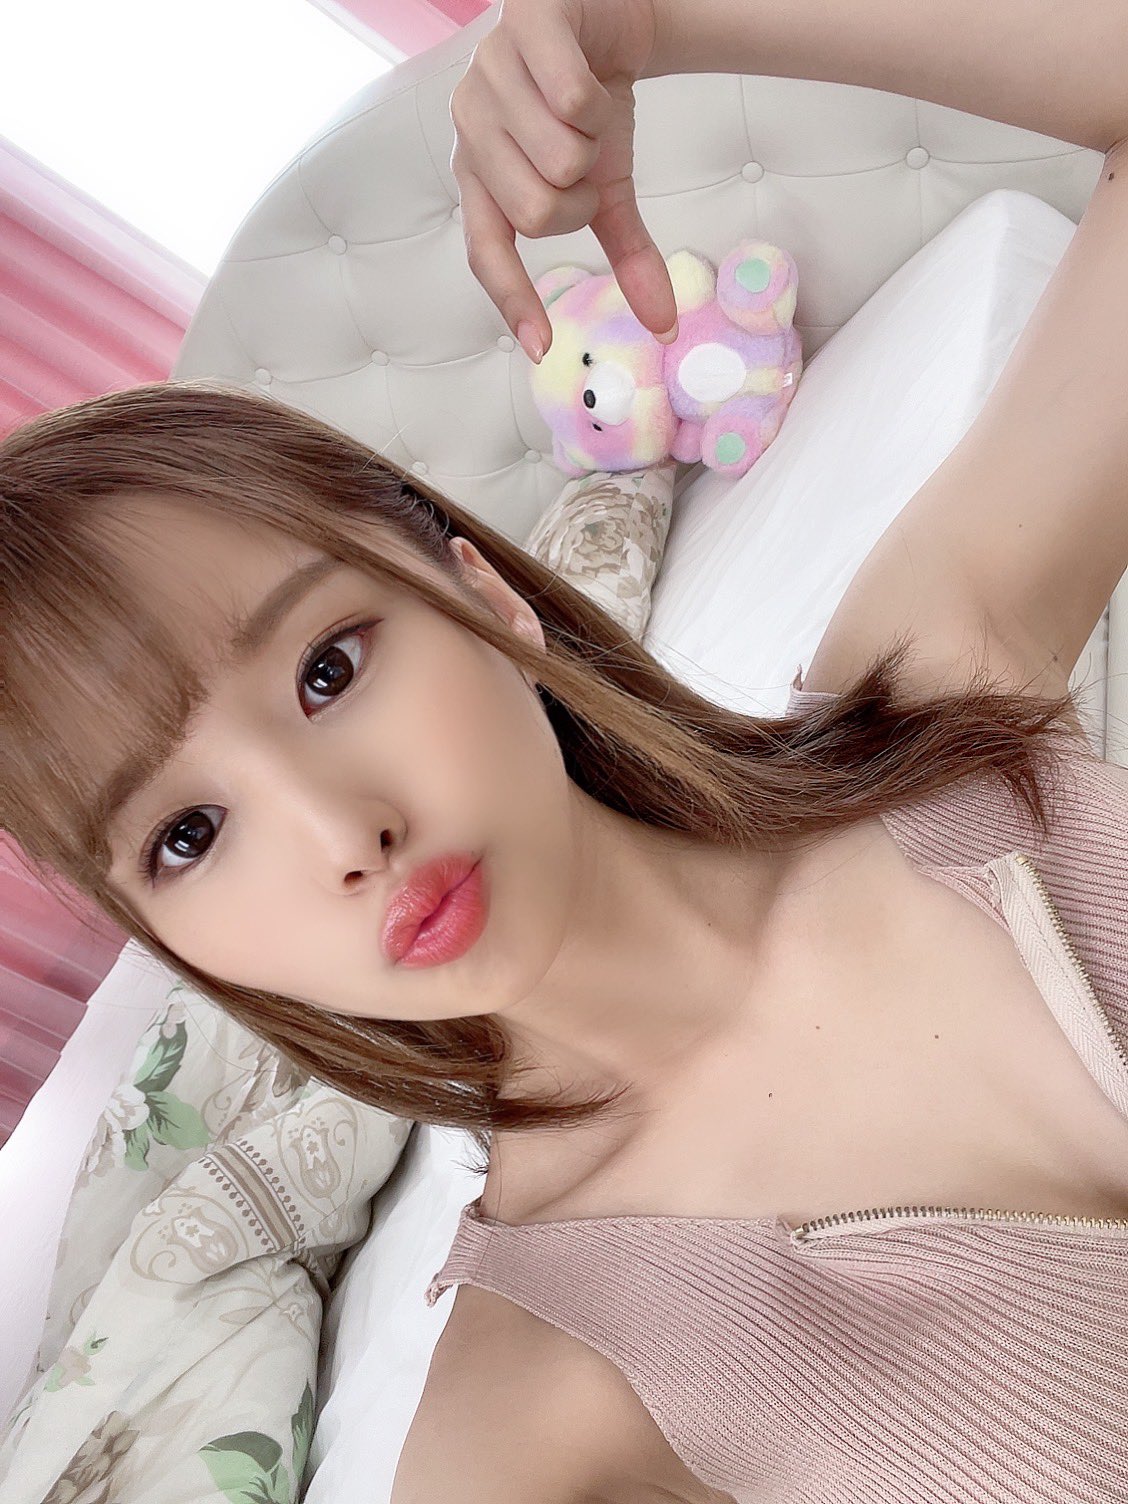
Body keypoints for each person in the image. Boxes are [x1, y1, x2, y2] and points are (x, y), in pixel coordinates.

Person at [1, 0, 1128, 1499]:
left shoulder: (932, 689)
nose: (340, 834)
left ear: (485, 598)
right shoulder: (538, 1410)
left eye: (328, 669)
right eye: (187, 837)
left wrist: (636, 19)